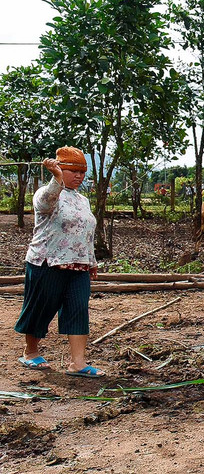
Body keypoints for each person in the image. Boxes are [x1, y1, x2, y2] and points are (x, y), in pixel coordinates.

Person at [14, 147, 105, 377]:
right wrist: (56, 179)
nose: (79, 176)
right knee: (40, 308)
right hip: (47, 262)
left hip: (78, 266)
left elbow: (87, 232)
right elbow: (45, 203)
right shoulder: (47, 193)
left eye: (82, 171)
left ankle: (78, 363)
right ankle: (30, 352)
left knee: (78, 311)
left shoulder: (82, 200)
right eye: (72, 171)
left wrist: (91, 260)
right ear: (59, 169)